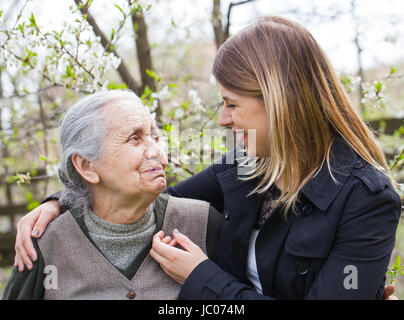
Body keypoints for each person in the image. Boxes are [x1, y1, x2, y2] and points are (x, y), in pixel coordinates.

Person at [12, 16, 401, 299]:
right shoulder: (249, 166)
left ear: (280, 103)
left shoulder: (366, 198)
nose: (222, 118)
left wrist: (202, 277)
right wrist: (60, 202)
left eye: (232, 104)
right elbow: (144, 196)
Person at [3, 91, 221, 300]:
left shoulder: (204, 223)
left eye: (154, 137)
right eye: (134, 139)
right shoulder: (44, 243)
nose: (156, 151)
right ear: (87, 166)